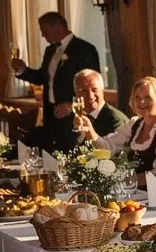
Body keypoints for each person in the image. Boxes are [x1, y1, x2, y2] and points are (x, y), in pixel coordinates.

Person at [10, 12, 100, 152]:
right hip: (50, 115)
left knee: (69, 156)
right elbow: (42, 78)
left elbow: (92, 86)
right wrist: (23, 70)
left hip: (72, 116)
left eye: (44, 31)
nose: (43, 35)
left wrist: (71, 105)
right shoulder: (50, 50)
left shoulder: (84, 49)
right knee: (50, 155)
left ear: (57, 27)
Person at [74, 76, 156, 186]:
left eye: (148, 97)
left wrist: (125, 181)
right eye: (137, 97)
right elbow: (108, 146)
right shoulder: (136, 123)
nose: (142, 102)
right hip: (137, 190)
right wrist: (89, 131)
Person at [56, 69, 126, 152]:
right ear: (75, 93)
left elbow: (114, 155)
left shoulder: (116, 120)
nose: (90, 96)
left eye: (94, 90)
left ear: (102, 90)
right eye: (84, 91)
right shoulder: (71, 117)